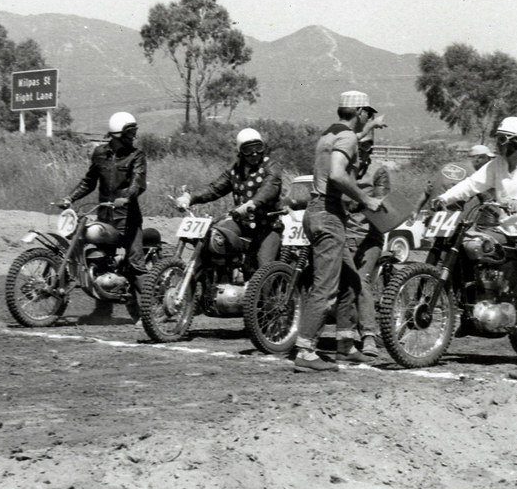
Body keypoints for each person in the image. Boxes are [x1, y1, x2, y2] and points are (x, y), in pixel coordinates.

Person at [432, 116, 517, 369]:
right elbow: (471, 184)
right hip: (504, 229)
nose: (498, 144)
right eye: (498, 138)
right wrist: (444, 197)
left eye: (502, 139)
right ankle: (466, 313)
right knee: (467, 246)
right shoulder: (496, 165)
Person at [293, 91, 385, 373]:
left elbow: (347, 142)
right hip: (329, 215)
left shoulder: (329, 135)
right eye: (367, 113)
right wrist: (366, 199)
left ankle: (345, 345)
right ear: (359, 112)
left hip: (317, 213)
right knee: (326, 286)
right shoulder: (346, 138)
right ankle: (306, 351)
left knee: (351, 281)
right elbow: (337, 173)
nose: (368, 117)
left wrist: (368, 129)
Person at [59, 111, 147, 323]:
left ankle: (149, 313)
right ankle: (102, 311)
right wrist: (70, 198)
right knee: (100, 261)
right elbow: (89, 181)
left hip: (128, 219)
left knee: (136, 264)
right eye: (130, 132)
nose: (133, 136)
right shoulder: (100, 153)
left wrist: (127, 197)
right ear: (117, 134)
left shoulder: (136, 156)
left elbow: (138, 182)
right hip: (105, 217)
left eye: (134, 131)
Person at [174, 128, 283, 273]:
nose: (254, 153)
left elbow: (270, 187)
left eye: (258, 148)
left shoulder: (271, 166)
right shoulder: (235, 170)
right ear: (240, 152)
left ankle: (267, 295)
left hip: (267, 225)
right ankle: (204, 281)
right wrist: (190, 198)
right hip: (241, 223)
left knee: (264, 266)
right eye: (248, 150)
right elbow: (215, 189)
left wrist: (252, 204)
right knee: (213, 240)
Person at [338, 131, 391, 359]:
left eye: (368, 147)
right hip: (342, 234)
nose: (363, 151)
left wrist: (357, 202)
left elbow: (381, 203)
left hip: (369, 236)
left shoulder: (378, 171)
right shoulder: (339, 169)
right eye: (359, 146)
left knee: (360, 280)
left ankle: (369, 334)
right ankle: (343, 336)